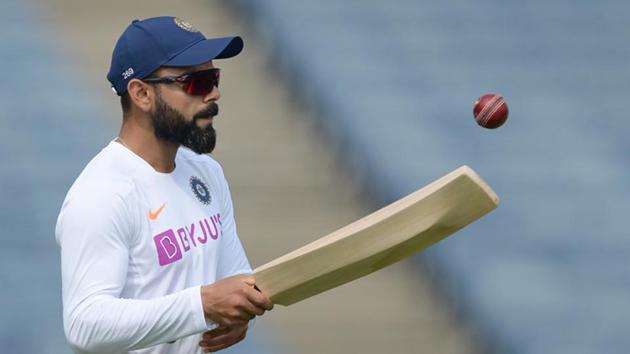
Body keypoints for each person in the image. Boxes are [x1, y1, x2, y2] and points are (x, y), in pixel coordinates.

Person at [55, 16, 273, 354]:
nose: (214, 93)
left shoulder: (206, 173)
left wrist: (243, 311)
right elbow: (85, 324)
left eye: (213, 77)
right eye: (196, 82)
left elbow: (235, 277)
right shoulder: (101, 194)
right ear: (141, 93)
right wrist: (202, 305)